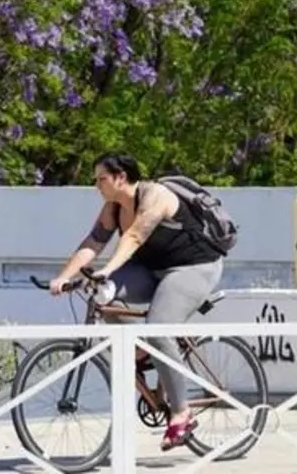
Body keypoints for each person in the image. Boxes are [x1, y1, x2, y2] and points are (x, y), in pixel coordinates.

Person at [49, 153, 225, 451]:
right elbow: (92, 242)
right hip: (152, 270)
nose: (96, 185)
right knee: (101, 293)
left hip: (193, 268)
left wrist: (107, 270)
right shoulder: (113, 207)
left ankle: (182, 413)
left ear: (120, 177)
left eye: (101, 178)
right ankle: (142, 350)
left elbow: (134, 237)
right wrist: (63, 277)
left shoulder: (156, 195)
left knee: (158, 327)